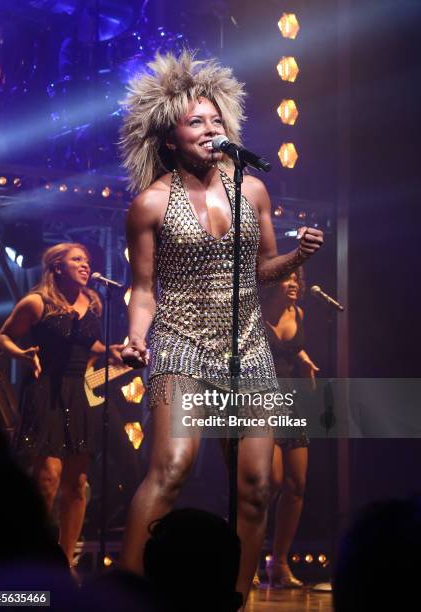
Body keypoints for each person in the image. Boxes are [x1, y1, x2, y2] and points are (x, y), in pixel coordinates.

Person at [118, 50, 323, 604]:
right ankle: (128, 591)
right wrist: (137, 336)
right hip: (180, 343)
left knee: (258, 485)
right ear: (169, 138)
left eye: (216, 121)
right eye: (196, 122)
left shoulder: (251, 190)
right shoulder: (150, 203)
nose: (210, 130)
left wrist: (299, 257)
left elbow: (263, 271)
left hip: (249, 350)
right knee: (172, 466)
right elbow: (142, 287)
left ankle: (233, 597)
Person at [0, 242, 124, 568]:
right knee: (47, 479)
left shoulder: (93, 302)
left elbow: (88, 343)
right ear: (57, 267)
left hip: (79, 393)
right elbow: (3, 337)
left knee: (78, 483)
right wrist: (21, 354)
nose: (85, 265)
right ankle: (32, 557)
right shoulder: (37, 302)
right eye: (77, 260)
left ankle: (64, 562)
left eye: (87, 261)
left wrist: (109, 351)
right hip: (46, 391)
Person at [261, 269, 319, 588]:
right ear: (272, 283)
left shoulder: (297, 312)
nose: (294, 283)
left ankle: (279, 562)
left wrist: (304, 357)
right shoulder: (255, 314)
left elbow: (290, 347)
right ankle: (246, 553)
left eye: (297, 278)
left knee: (296, 483)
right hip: (259, 398)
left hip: (289, 400)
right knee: (270, 481)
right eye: (288, 278)